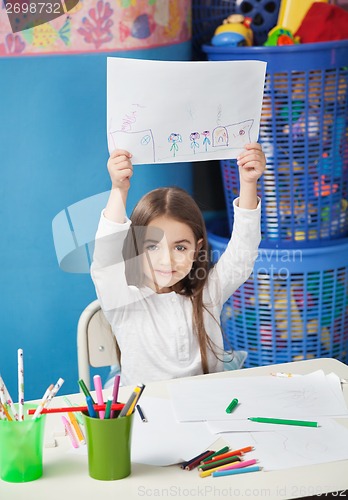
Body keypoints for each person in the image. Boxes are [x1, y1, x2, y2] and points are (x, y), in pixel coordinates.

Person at [91, 143, 266, 386]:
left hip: (207, 410)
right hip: (147, 414)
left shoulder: (208, 294)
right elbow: (105, 260)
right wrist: (118, 189)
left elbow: (242, 253)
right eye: (152, 246)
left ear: (197, 250)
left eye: (180, 247)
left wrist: (248, 183)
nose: (167, 260)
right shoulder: (123, 303)